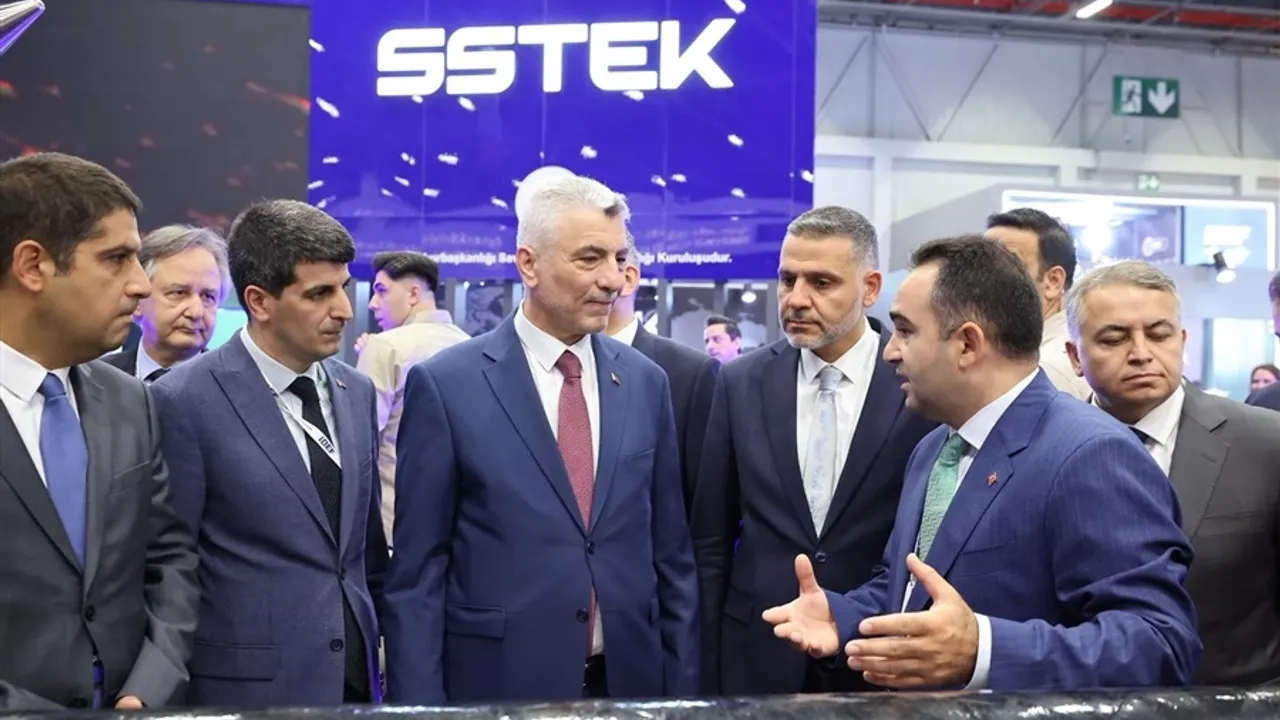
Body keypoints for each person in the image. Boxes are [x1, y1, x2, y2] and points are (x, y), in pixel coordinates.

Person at [761, 235, 1199, 690]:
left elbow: (1160, 643)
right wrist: (845, 616)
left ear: (968, 344)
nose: (890, 350)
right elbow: (908, 585)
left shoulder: (1091, 455)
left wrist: (984, 650)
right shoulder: (933, 449)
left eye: (906, 331)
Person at [384, 175, 698, 703]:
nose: (612, 279)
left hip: (628, 685)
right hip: (498, 687)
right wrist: (419, 710)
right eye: (589, 258)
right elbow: (418, 576)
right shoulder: (448, 386)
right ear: (528, 264)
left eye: (619, 258)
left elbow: (673, 559)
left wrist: (683, 698)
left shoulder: (646, 382)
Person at [150, 199, 388, 707]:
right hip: (247, 689)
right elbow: (170, 563)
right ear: (259, 302)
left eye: (343, 288)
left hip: (356, 681)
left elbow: (365, 552)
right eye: (319, 294)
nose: (345, 310)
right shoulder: (184, 399)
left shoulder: (356, 391)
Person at [691, 207, 935, 695]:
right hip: (757, 651)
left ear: (870, 288)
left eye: (822, 283)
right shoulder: (741, 382)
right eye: (787, 280)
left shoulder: (917, 383)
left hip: (875, 650)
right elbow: (711, 539)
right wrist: (706, 663)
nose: (797, 299)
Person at [0, 152, 199, 710]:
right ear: (33, 265)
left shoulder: (131, 401)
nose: (141, 286)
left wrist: (148, 689)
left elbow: (169, 560)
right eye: (117, 259)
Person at [1066, 260, 1280, 686]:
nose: (1141, 353)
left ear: (1182, 341)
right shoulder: (1041, 448)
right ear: (1075, 356)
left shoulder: (1266, 444)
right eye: (1114, 338)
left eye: (1159, 334)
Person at [355, 250, 469, 541]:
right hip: (459, 524)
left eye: (381, 290)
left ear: (414, 293)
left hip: (394, 524)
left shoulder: (385, 347)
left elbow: (360, 441)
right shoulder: (469, 345)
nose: (372, 303)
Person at [606, 232, 719, 509]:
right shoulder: (557, 368)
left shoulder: (690, 374)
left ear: (628, 278)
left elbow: (706, 500)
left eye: (588, 261)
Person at [984, 208, 1091, 399]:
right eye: (980, 264)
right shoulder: (1020, 356)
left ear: (1053, 281)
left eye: (1006, 265)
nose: (982, 277)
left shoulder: (1047, 371)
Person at [101, 225, 229, 382]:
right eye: (179, 293)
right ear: (138, 301)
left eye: (208, 297)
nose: (196, 312)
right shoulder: (96, 380)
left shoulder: (237, 388)